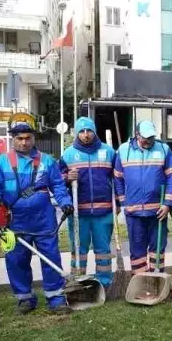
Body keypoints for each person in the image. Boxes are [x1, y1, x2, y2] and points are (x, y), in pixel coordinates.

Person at [0, 122, 73, 313]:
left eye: (28, 138)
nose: (24, 143)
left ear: (34, 139)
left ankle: (55, 297)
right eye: (19, 139)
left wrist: (65, 202)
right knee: (16, 260)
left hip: (43, 219)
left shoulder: (48, 161)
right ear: (13, 139)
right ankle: (24, 298)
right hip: (14, 220)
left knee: (50, 257)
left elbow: (57, 185)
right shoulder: (1, 162)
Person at [114, 120, 172, 275]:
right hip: (133, 212)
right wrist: (123, 202)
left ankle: (157, 279)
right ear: (137, 134)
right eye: (145, 137)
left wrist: (168, 203)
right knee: (137, 250)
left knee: (158, 248)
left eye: (151, 137)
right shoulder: (123, 150)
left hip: (158, 211)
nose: (149, 140)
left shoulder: (164, 149)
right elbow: (117, 178)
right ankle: (141, 281)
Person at [61, 116, 116, 288]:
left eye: (89, 131)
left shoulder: (109, 153)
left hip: (104, 212)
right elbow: (56, 180)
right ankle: (79, 282)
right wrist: (66, 178)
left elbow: (119, 179)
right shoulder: (68, 154)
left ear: (94, 131)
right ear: (77, 133)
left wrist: (119, 204)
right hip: (79, 213)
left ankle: (104, 283)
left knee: (103, 251)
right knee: (79, 250)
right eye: (82, 131)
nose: (86, 135)